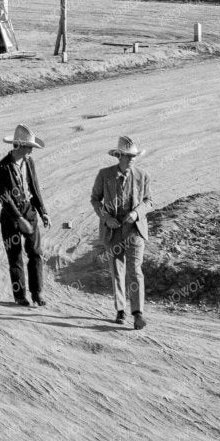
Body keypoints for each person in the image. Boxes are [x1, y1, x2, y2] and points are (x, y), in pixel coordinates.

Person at [91, 134, 152, 329]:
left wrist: (136, 213)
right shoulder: (104, 175)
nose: (132, 158)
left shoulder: (143, 176)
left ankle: (138, 313)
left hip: (134, 230)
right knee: (117, 272)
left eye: (134, 155)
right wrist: (107, 218)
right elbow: (95, 199)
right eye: (128, 155)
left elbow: (148, 201)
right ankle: (120, 310)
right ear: (119, 156)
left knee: (135, 270)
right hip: (113, 231)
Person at [0, 124, 49, 307]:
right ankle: (20, 296)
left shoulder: (29, 162)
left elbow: (34, 187)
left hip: (29, 210)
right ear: (18, 146)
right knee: (15, 256)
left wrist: (43, 212)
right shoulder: (2, 167)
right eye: (29, 147)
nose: (31, 151)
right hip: (11, 216)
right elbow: (5, 198)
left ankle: (37, 293)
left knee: (35, 253)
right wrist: (19, 219)